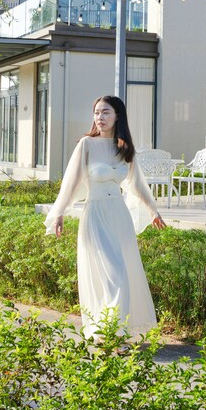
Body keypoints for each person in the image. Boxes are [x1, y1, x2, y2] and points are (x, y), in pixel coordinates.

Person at [44, 95, 166, 341]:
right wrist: (59, 213)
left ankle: (113, 333)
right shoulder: (87, 145)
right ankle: (110, 333)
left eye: (105, 112)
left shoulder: (125, 148)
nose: (99, 117)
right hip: (96, 215)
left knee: (123, 273)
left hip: (119, 216)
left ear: (117, 116)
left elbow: (137, 184)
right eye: (97, 112)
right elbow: (71, 183)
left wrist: (154, 211)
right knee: (113, 274)